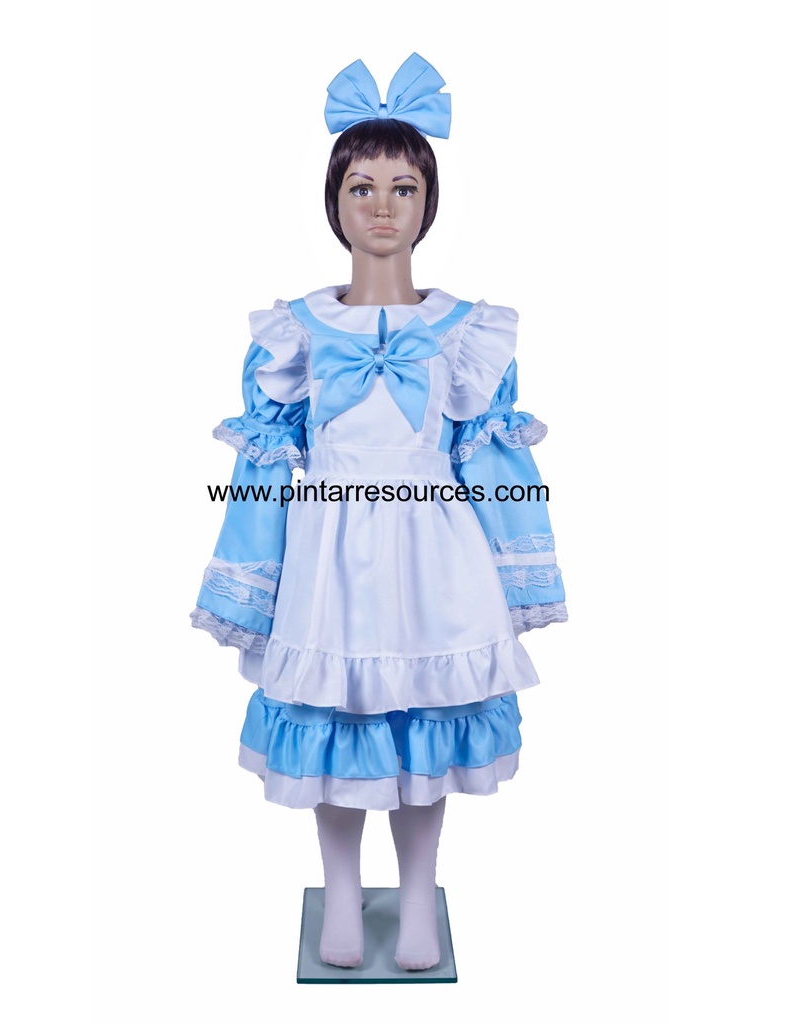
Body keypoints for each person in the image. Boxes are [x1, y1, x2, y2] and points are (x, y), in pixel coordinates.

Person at [190, 54, 567, 971]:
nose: (383, 207)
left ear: (430, 202)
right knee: (336, 717)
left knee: (425, 717)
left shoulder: (469, 335)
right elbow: (265, 470)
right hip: (328, 560)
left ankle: (422, 894)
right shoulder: (293, 335)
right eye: (362, 186)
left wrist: (522, 567)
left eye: (404, 187)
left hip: (437, 558)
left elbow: (496, 461)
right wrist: (250, 581)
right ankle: (342, 895)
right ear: (334, 200)